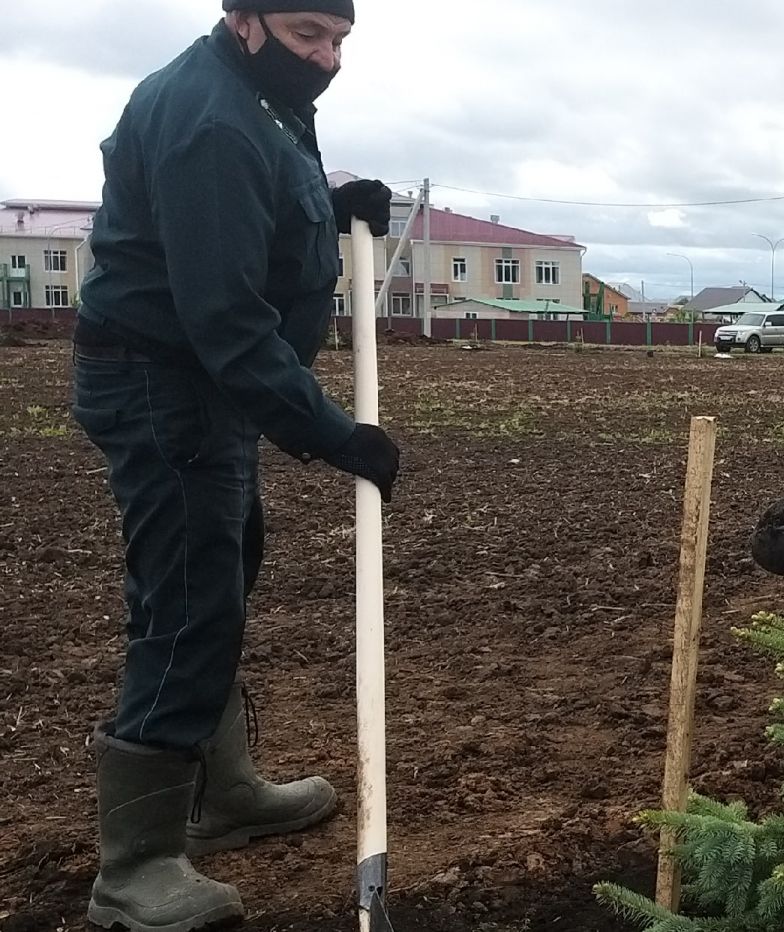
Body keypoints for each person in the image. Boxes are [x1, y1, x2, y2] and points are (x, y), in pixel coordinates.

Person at [69, 2, 401, 928]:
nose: (328, 59)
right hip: (165, 385)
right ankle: (133, 869)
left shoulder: (258, 95)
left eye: (339, 41)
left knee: (220, 572)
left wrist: (328, 210)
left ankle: (222, 795)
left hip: (196, 387)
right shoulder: (210, 117)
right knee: (188, 602)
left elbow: (248, 217)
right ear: (244, 19)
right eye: (309, 36)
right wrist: (337, 434)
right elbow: (226, 320)